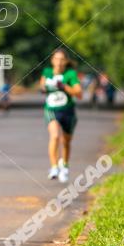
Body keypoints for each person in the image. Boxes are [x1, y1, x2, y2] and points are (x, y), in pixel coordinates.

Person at [39, 49, 82, 183]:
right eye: (56, 59)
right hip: (51, 110)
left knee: (66, 141)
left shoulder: (70, 74)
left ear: (66, 61)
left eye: (62, 59)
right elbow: (41, 87)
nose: (58, 62)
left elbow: (79, 94)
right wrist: (45, 86)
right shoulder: (47, 72)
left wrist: (64, 87)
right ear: (52, 61)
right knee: (55, 136)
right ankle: (54, 167)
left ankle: (65, 166)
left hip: (68, 111)